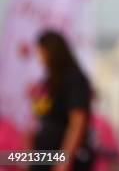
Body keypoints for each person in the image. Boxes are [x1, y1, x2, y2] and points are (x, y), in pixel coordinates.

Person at [30, 29, 94, 171]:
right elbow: (43, 114)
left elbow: (78, 121)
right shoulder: (51, 80)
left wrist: (64, 160)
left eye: (41, 52)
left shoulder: (73, 78)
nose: (38, 57)